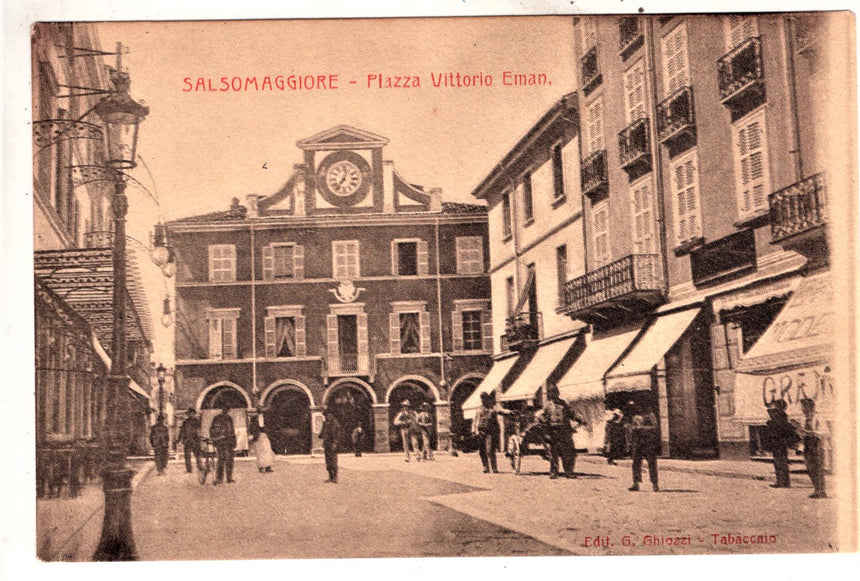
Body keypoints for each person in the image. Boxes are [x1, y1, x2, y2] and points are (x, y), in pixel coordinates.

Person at [541, 385, 583, 479]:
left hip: (564, 431)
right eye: (552, 393)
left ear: (558, 393)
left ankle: (569, 472)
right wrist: (546, 432)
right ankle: (554, 472)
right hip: (553, 431)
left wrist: (579, 419)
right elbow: (544, 419)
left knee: (568, 452)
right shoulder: (547, 406)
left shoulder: (564, 404)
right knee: (553, 453)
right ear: (550, 394)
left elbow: (571, 413)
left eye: (555, 392)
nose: (554, 394)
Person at [762, 400, 800, 489]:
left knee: (779, 462)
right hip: (781, 443)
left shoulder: (777, 415)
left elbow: (776, 427)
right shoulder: (784, 416)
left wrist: (770, 423)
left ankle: (781, 481)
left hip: (777, 442)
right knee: (782, 462)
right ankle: (784, 482)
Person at [628, 404, 660, 492]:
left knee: (652, 462)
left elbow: (655, 427)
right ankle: (636, 483)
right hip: (638, 442)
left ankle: (655, 484)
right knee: (636, 463)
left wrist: (642, 428)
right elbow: (632, 429)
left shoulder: (651, 415)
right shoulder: (635, 417)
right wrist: (632, 429)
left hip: (648, 442)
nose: (639, 408)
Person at [801, 398, 827, 498]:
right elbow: (804, 431)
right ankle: (816, 488)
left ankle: (821, 490)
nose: (802, 409)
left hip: (817, 444)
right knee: (810, 468)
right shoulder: (803, 418)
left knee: (818, 468)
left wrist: (814, 433)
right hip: (807, 444)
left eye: (803, 407)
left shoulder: (818, 417)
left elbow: (825, 431)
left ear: (809, 407)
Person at [472, 392, 500, 473]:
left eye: (484, 398)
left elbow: (500, 411)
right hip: (481, 431)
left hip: (490, 432)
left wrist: (509, 412)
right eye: (482, 398)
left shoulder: (493, 408)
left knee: (490, 450)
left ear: (487, 399)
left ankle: (494, 467)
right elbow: (475, 421)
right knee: (482, 450)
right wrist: (474, 431)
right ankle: (485, 467)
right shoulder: (479, 409)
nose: (482, 400)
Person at [209, 404, 237, 485]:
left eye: (228, 409)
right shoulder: (217, 418)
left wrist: (234, 442)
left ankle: (229, 478)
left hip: (229, 442)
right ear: (222, 409)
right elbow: (213, 429)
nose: (226, 411)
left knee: (230, 460)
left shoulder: (229, 418)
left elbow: (232, 430)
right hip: (221, 442)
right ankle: (219, 478)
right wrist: (217, 437)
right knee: (221, 459)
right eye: (225, 409)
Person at [174, 407, 203, 473]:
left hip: (195, 440)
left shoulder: (197, 422)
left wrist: (199, 438)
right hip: (187, 441)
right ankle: (189, 469)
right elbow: (182, 431)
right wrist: (179, 440)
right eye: (189, 414)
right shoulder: (185, 422)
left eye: (192, 413)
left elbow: (199, 431)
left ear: (194, 414)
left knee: (198, 455)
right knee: (187, 456)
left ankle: (200, 468)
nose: (191, 415)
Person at [319, 407, 341, 483]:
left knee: (333, 461)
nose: (326, 417)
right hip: (327, 444)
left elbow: (337, 434)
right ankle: (330, 477)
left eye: (326, 415)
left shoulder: (334, 422)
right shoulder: (325, 423)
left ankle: (335, 477)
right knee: (328, 461)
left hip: (333, 444)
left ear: (331, 415)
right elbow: (321, 434)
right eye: (325, 416)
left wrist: (335, 443)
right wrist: (321, 435)